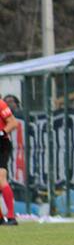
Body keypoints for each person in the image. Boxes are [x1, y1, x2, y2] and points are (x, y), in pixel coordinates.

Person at [0, 95, 19, 225]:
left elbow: (13, 122)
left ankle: (12, 217)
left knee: (1, 177)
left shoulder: (0, 104)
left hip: (2, 144)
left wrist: (1, 133)